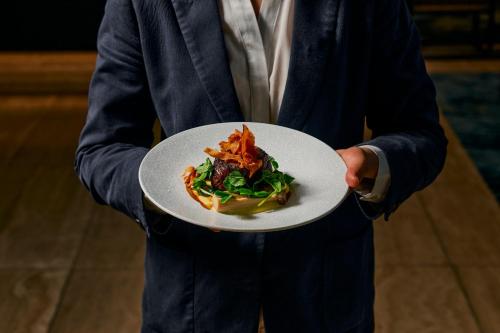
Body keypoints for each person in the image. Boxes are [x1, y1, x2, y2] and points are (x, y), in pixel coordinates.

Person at [75, 0, 447, 332]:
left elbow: (419, 133)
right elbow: (101, 149)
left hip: (325, 292)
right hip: (193, 298)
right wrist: (166, 190)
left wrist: (372, 163)